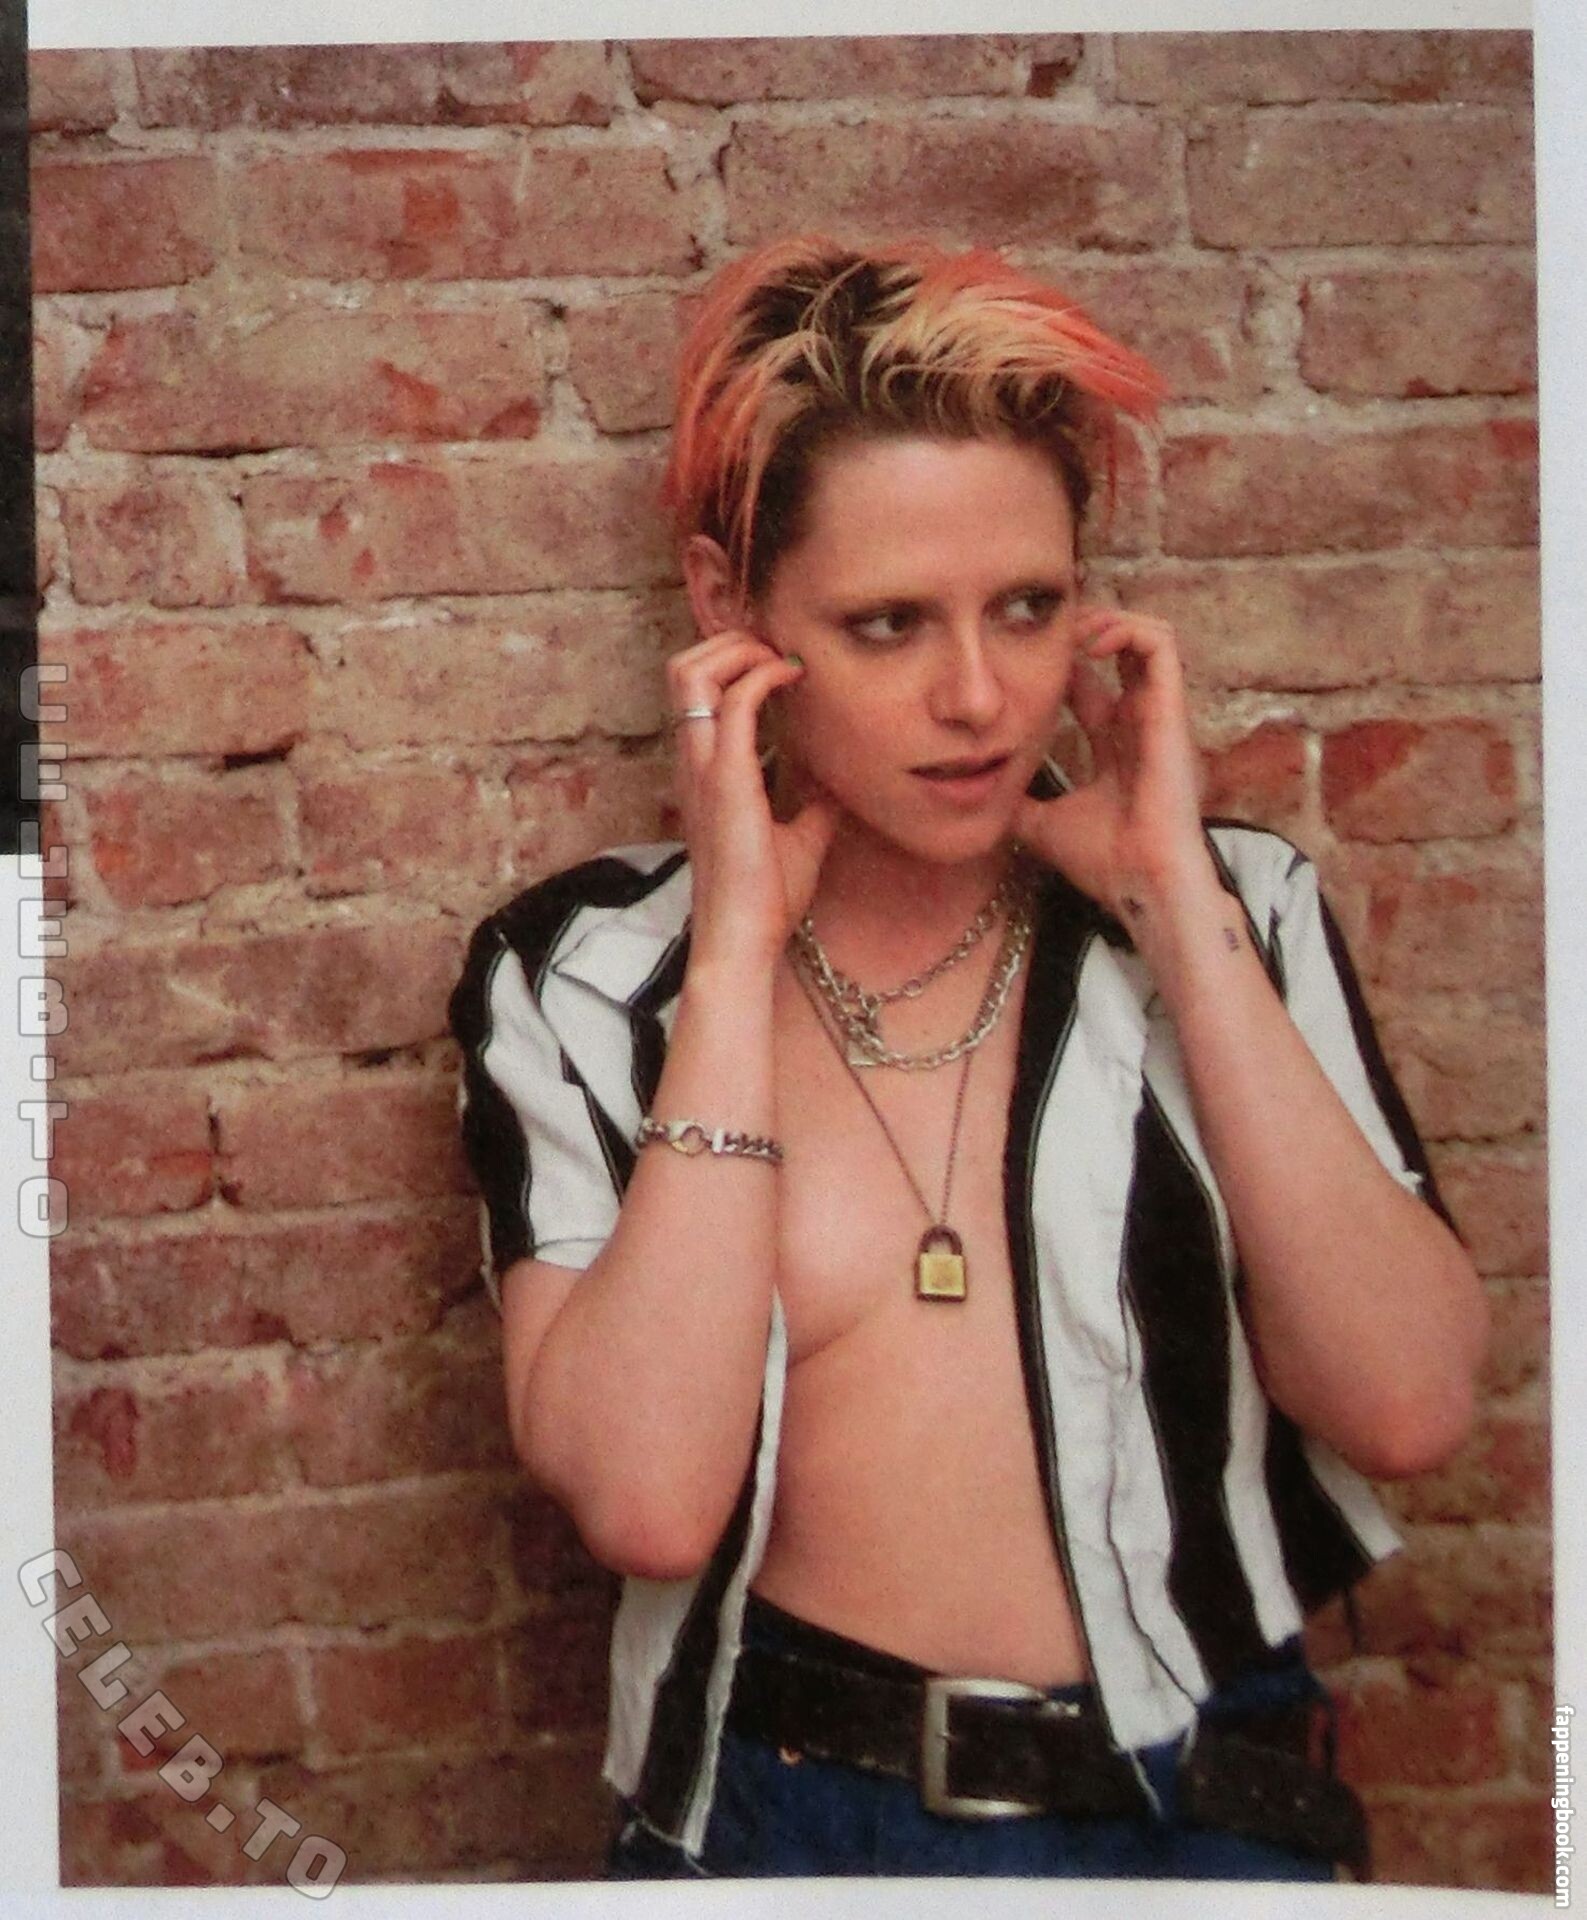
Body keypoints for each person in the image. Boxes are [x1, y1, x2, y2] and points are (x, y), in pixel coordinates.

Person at [447, 234, 1489, 1882]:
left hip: (1210, 1808)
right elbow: (647, 1502)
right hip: (790, 1820)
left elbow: (1410, 1403)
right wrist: (732, 960)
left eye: (1029, 607)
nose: (981, 696)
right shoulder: (583, 975)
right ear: (729, 609)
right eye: (886, 625)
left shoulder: (1239, 911)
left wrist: (1177, 909)